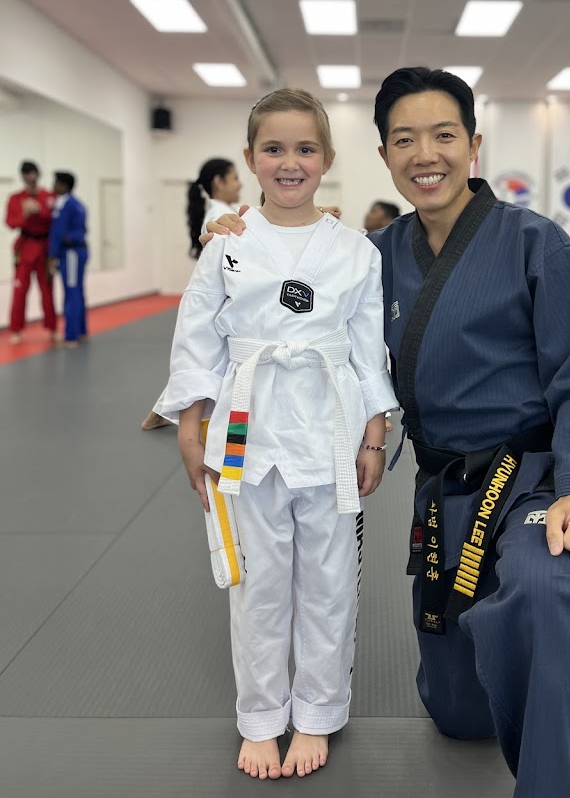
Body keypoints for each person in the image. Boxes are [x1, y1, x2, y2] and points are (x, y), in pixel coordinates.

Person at [204, 67, 570, 798]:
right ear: (383, 155)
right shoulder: (370, 255)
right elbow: (288, 300)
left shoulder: (537, 244)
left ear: (473, 145)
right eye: (405, 139)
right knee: (460, 714)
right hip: (443, 492)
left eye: (443, 135)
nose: (425, 154)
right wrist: (238, 237)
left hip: (531, 478)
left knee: (547, 587)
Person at [156, 88, 397, 780]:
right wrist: (189, 426)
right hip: (246, 432)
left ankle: (317, 711)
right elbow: (197, 337)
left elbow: (368, 349)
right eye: (274, 149)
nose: (290, 162)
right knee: (257, 585)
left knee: (329, 584)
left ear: (327, 158)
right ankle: (261, 717)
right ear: (250, 157)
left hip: (330, 433)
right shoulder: (227, 244)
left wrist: (374, 436)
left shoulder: (355, 251)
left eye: (305, 149)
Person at [141, 158, 243, 430]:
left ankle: (160, 412)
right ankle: (173, 415)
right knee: (210, 362)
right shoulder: (218, 215)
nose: (240, 184)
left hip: (221, 296)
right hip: (221, 298)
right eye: (234, 178)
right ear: (218, 182)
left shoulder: (224, 210)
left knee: (207, 361)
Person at [5, 160, 57, 345]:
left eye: (33, 174)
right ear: (23, 177)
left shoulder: (49, 197)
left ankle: (52, 328)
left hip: (45, 248)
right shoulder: (15, 198)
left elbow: (56, 221)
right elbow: (10, 223)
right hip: (25, 247)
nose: (31, 179)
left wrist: (40, 211)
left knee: (47, 290)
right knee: (19, 291)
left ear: (38, 175)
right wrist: (25, 214)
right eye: (27, 175)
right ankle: (16, 330)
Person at [48, 171, 88, 349]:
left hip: (71, 253)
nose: (53, 186)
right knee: (77, 291)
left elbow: (58, 233)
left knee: (71, 293)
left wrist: (52, 256)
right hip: (78, 251)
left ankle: (71, 336)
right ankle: (82, 331)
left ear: (64, 185)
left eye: (56, 182)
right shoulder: (77, 204)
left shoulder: (65, 204)